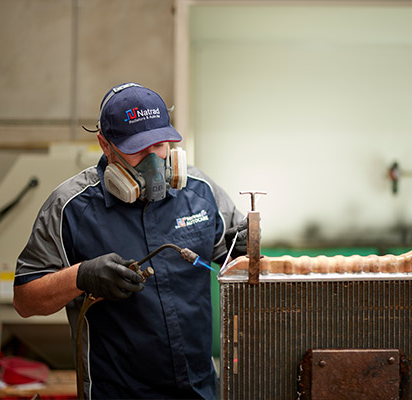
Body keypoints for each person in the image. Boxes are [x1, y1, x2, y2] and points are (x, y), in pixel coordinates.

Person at [13, 83, 246, 399]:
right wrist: (81, 276)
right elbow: (25, 300)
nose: (154, 161)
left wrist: (246, 251)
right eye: (137, 148)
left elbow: (238, 264)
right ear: (105, 145)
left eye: (160, 146)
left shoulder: (200, 192)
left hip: (199, 391)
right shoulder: (70, 208)